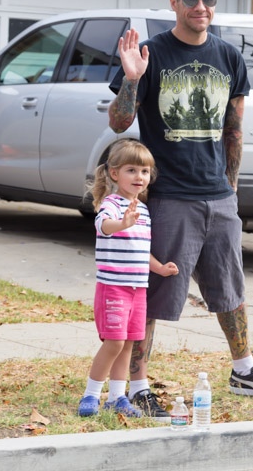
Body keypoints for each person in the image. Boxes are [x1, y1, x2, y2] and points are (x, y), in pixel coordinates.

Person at [107, 0, 253, 421]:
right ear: (173, 4)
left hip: (218, 197)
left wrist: (230, 187)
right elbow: (118, 122)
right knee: (152, 291)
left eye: (208, 0)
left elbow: (234, 128)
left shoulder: (229, 57)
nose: (201, 8)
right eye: (192, 0)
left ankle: (244, 371)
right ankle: (137, 386)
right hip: (170, 195)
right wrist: (132, 78)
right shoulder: (152, 53)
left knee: (230, 288)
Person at [77, 139, 179, 418]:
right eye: (132, 170)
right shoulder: (111, 205)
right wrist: (122, 223)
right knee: (114, 342)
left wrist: (159, 268)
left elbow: (140, 249)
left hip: (138, 289)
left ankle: (117, 398)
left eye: (145, 171)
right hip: (114, 287)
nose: (139, 177)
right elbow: (104, 226)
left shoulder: (142, 210)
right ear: (114, 174)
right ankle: (91, 395)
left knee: (129, 344)